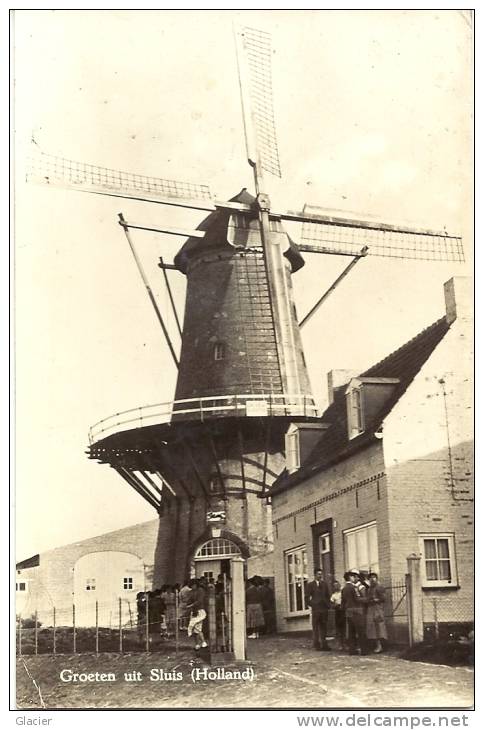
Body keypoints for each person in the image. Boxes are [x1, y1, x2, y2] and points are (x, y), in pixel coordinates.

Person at [305, 568, 331, 650]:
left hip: (324, 609)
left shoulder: (324, 584)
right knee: (315, 627)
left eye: (321, 574)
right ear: (315, 575)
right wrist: (313, 604)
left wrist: (327, 605)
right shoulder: (310, 585)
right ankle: (317, 644)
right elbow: (306, 597)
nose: (320, 576)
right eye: (319, 574)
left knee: (324, 626)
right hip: (316, 609)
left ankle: (324, 644)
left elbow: (327, 595)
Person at [341, 571, 365, 655]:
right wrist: (367, 599)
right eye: (352, 576)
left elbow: (343, 602)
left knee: (351, 631)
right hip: (356, 610)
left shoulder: (343, 589)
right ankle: (364, 650)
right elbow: (357, 599)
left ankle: (352, 650)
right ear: (350, 577)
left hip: (348, 611)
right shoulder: (353, 588)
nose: (354, 578)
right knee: (360, 630)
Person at [366, 572, 387, 653]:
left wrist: (377, 600)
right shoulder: (369, 589)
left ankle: (381, 646)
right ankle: (377, 645)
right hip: (371, 609)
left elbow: (384, 598)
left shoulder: (380, 587)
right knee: (372, 628)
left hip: (377, 609)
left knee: (379, 627)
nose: (372, 579)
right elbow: (368, 598)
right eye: (370, 578)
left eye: (374, 577)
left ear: (376, 578)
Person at [186, 579, 208, 650]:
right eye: (192, 586)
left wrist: (191, 605)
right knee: (197, 629)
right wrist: (189, 605)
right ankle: (199, 643)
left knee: (194, 624)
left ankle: (189, 630)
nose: (193, 587)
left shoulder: (201, 590)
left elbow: (200, 601)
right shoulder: (190, 592)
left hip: (200, 610)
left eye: (194, 585)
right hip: (194, 611)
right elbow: (188, 601)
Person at [330, 580, 345, 650]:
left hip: (344, 611)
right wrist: (335, 605)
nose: (336, 587)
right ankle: (340, 644)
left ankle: (345, 643)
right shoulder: (333, 595)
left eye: (337, 585)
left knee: (344, 628)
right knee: (339, 628)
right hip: (338, 612)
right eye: (334, 586)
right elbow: (331, 604)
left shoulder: (343, 593)